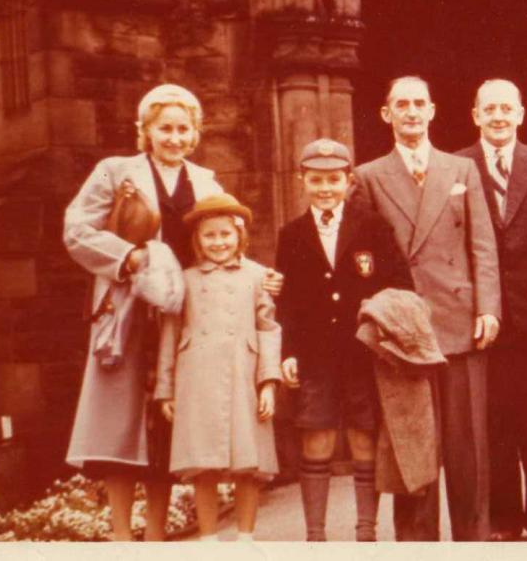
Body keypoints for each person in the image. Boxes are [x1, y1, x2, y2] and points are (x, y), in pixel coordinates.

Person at [63, 84, 225, 540]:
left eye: (183, 129)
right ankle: (121, 537)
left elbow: (224, 238)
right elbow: (76, 230)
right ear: (146, 131)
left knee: (165, 426)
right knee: (119, 423)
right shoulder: (116, 172)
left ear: (195, 133)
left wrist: (253, 278)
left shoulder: (208, 182)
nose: (174, 137)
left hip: (183, 315)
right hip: (128, 313)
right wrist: (128, 258)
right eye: (164, 128)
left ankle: (155, 536)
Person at [354, 76, 502, 541]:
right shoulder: (369, 176)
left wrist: (489, 308)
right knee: (414, 441)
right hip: (407, 326)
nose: (412, 112)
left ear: (433, 110)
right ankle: (416, 544)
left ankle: (472, 538)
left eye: (420, 103)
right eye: (402, 104)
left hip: (459, 318)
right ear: (387, 114)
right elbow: (366, 257)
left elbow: (483, 245)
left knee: (467, 443)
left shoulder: (460, 170)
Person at [274, 138, 413, 542]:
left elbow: (400, 284)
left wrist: (380, 326)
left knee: (362, 436)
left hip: (361, 353)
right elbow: (289, 302)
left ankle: (365, 531)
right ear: (303, 181)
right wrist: (289, 352)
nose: (325, 189)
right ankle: (315, 535)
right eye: (316, 180)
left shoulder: (372, 225)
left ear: (348, 180)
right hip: (316, 356)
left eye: (333, 180)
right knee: (315, 433)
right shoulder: (293, 234)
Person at [456, 79, 527, 541]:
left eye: (507, 108)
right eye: (490, 109)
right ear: (475, 114)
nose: (499, 116)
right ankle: (502, 517)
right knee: (493, 420)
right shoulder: (457, 166)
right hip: (483, 312)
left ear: (521, 113)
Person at [154, 193, 282, 541]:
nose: (218, 242)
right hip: (197, 380)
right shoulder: (186, 279)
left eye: (225, 234)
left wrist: (268, 382)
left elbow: (268, 328)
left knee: (248, 464)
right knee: (203, 464)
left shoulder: (257, 276)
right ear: (197, 239)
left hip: (243, 376)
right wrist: (165, 388)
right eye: (209, 235)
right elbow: (171, 333)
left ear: (239, 236)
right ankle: (208, 539)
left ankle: (245, 538)